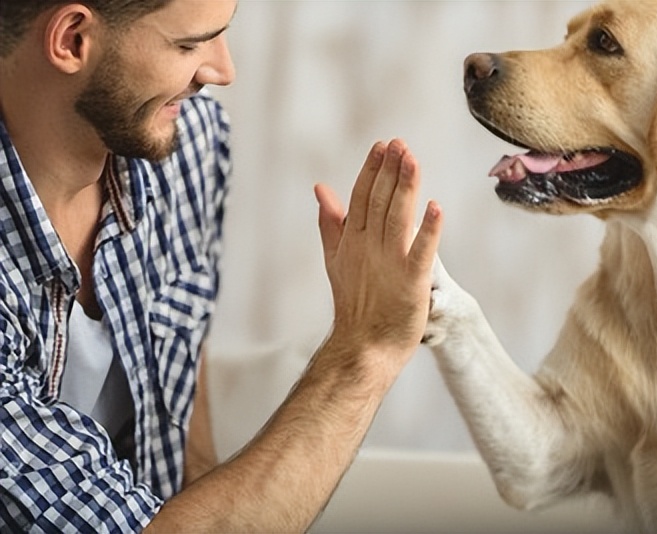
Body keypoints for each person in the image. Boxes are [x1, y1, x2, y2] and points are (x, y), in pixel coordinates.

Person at [0, 0, 443, 531]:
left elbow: (182, 382)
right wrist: (365, 351)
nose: (222, 71)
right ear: (72, 40)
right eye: (187, 45)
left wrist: (203, 481)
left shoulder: (187, 143)